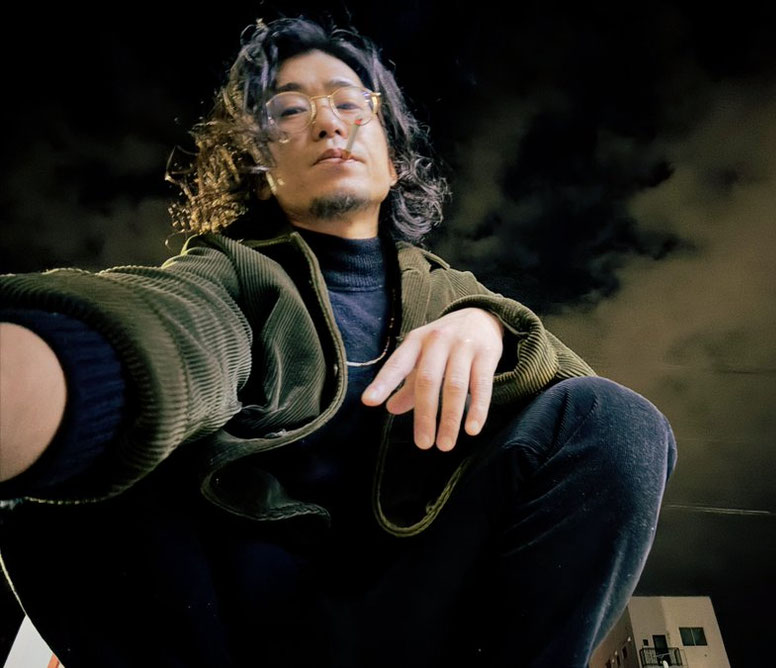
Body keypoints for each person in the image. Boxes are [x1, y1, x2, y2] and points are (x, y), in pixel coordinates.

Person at [0, 17, 676, 668]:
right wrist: (48, 369)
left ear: (394, 163)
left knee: (616, 416)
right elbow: (167, 330)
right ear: (262, 167)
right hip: (235, 624)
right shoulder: (230, 275)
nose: (327, 123)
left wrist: (496, 329)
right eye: (289, 111)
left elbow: (599, 442)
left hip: (420, 614)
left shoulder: (454, 296)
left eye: (351, 104)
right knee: (56, 506)